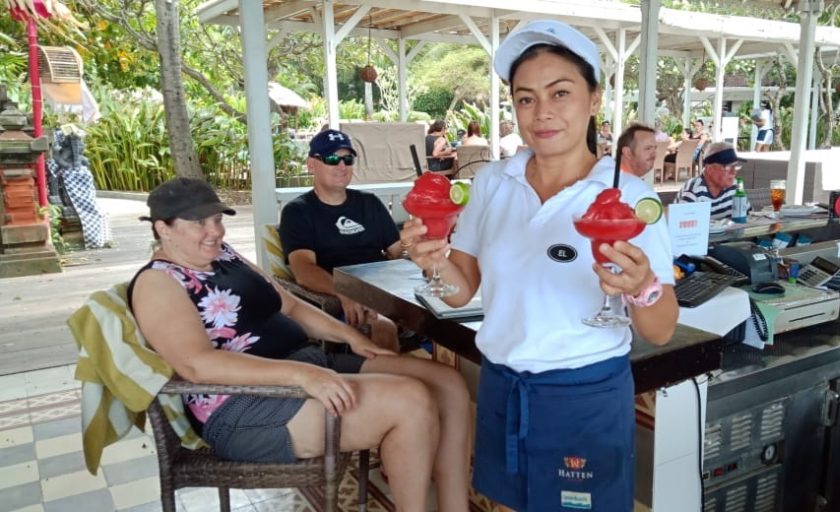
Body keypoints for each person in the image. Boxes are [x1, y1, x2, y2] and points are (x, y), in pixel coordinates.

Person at [399, 19, 677, 512]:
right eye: (526, 98)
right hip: (504, 386)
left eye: (560, 93)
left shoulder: (628, 197)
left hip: (584, 398)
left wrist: (641, 286)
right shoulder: (492, 182)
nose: (542, 113)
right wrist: (432, 263)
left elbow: (660, 329)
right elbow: (462, 292)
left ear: (594, 100)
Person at [130, 177, 471, 512]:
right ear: (163, 228)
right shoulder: (158, 282)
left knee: (447, 382)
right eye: (198, 223)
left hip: (305, 364)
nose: (215, 231)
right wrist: (302, 376)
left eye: (217, 219)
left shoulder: (225, 256)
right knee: (410, 401)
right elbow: (197, 365)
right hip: (244, 408)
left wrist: (353, 339)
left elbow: (289, 305)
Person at [279, 129, 403, 352]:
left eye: (348, 159)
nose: (342, 165)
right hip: (343, 299)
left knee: (447, 316)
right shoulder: (298, 212)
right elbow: (303, 269)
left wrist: (419, 246)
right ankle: (394, 383)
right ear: (311, 164)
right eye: (331, 158)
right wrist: (344, 292)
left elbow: (398, 251)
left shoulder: (369, 203)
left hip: (388, 288)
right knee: (384, 329)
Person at [674, 141, 746, 220]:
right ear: (710, 169)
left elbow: (747, 218)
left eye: (735, 166)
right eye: (728, 167)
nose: (733, 172)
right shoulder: (694, 191)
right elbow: (682, 226)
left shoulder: (735, 186)